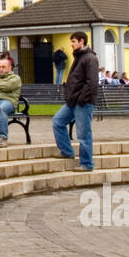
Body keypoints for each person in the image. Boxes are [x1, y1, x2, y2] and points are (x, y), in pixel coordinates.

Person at [52, 31, 99, 171]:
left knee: (83, 134)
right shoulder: (79, 57)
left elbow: (92, 82)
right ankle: (67, 151)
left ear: (81, 42)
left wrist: (81, 99)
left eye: (73, 41)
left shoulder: (89, 58)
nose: (71, 44)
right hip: (73, 101)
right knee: (57, 122)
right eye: (71, 41)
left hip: (83, 102)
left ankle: (87, 164)